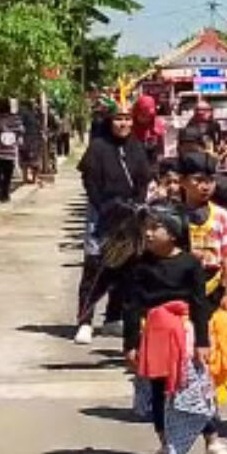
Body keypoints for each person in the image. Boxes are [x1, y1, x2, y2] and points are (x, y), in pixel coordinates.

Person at [120, 203, 227, 454]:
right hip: (155, 337)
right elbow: (131, 306)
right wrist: (131, 344)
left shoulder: (189, 264)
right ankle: (166, 447)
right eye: (145, 228)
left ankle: (213, 444)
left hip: (185, 336)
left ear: (174, 233)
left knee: (196, 390)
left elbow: (199, 304)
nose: (148, 234)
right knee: (161, 392)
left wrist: (202, 342)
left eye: (155, 227)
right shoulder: (139, 266)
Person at [75, 101, 152, 345]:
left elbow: (143, 181)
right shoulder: (97, 147)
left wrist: (136, 207)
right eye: (119, 118)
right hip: (101, 214)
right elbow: (90, 182)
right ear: (109, 121)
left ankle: (112, 318)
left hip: (129, 216)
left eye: (128, 119)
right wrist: (103, 207)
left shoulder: (137, 147)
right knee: (95, 267)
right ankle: (85, 321)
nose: (124, 123)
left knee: (125, 268)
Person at [180, 152, 227, 401]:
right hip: (182, 285)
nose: (205, 186)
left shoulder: (221, 216)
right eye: (198, 180)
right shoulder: (173, 215)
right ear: (182, 181)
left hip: (216, 283)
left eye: (210, 180)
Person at [132, 94, 165, 176]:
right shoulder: (129, 127)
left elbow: (161, 148)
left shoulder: (157, 126)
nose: (146, 119)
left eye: (149, 116)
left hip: (152, 166)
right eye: (143, 115)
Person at [18, 100, 44, 185]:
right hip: (33, 139)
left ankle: (26, 178)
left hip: (29, 139)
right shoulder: (34, 114)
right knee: (33, 160)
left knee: (26, 159)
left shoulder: (26, 114)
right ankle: (33, 178)